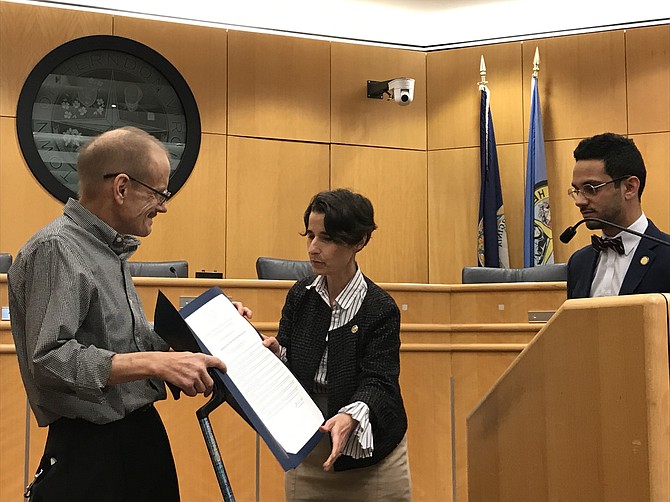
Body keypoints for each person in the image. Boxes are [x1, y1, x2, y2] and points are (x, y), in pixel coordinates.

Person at [8, 126, 250, 501]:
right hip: (92, 453)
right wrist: (155, 364)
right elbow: (50, 359)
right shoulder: (58, 250)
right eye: (159, 193)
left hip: (135, 438)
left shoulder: (108, 250)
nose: (165, 206)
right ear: (121, 188)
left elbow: (125, 341)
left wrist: (210, 330)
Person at [262, 189, 411, 501]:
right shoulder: (301, 295)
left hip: (369, 452)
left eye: (327, 238)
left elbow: (379, 381)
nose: (313, 248)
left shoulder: (379, 308)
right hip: (310, 445)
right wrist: (276, 352)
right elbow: (293, 355)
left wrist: (348, 416)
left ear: (358, 242)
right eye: (310, 236)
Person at [566, 132, 670, 299]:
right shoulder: (578, 263)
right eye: (577, 190)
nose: (579, 201)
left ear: (629, 188)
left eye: (590, 188)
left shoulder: (667, 255)